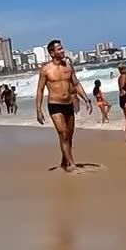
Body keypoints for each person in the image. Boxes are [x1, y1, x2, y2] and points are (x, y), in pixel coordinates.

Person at [35, 39, 90, 172]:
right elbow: (40, 89)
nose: (62, 50)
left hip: (68, 104)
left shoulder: (68, 67)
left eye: (62, 48)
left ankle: (64, 162)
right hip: (55, 105)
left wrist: (86, 99)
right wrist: (38, 110)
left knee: (69, 136)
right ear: (52, 53)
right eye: (59, 49)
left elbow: (76, 84)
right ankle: (71, 164)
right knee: (63, 133)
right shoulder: (46, 70)